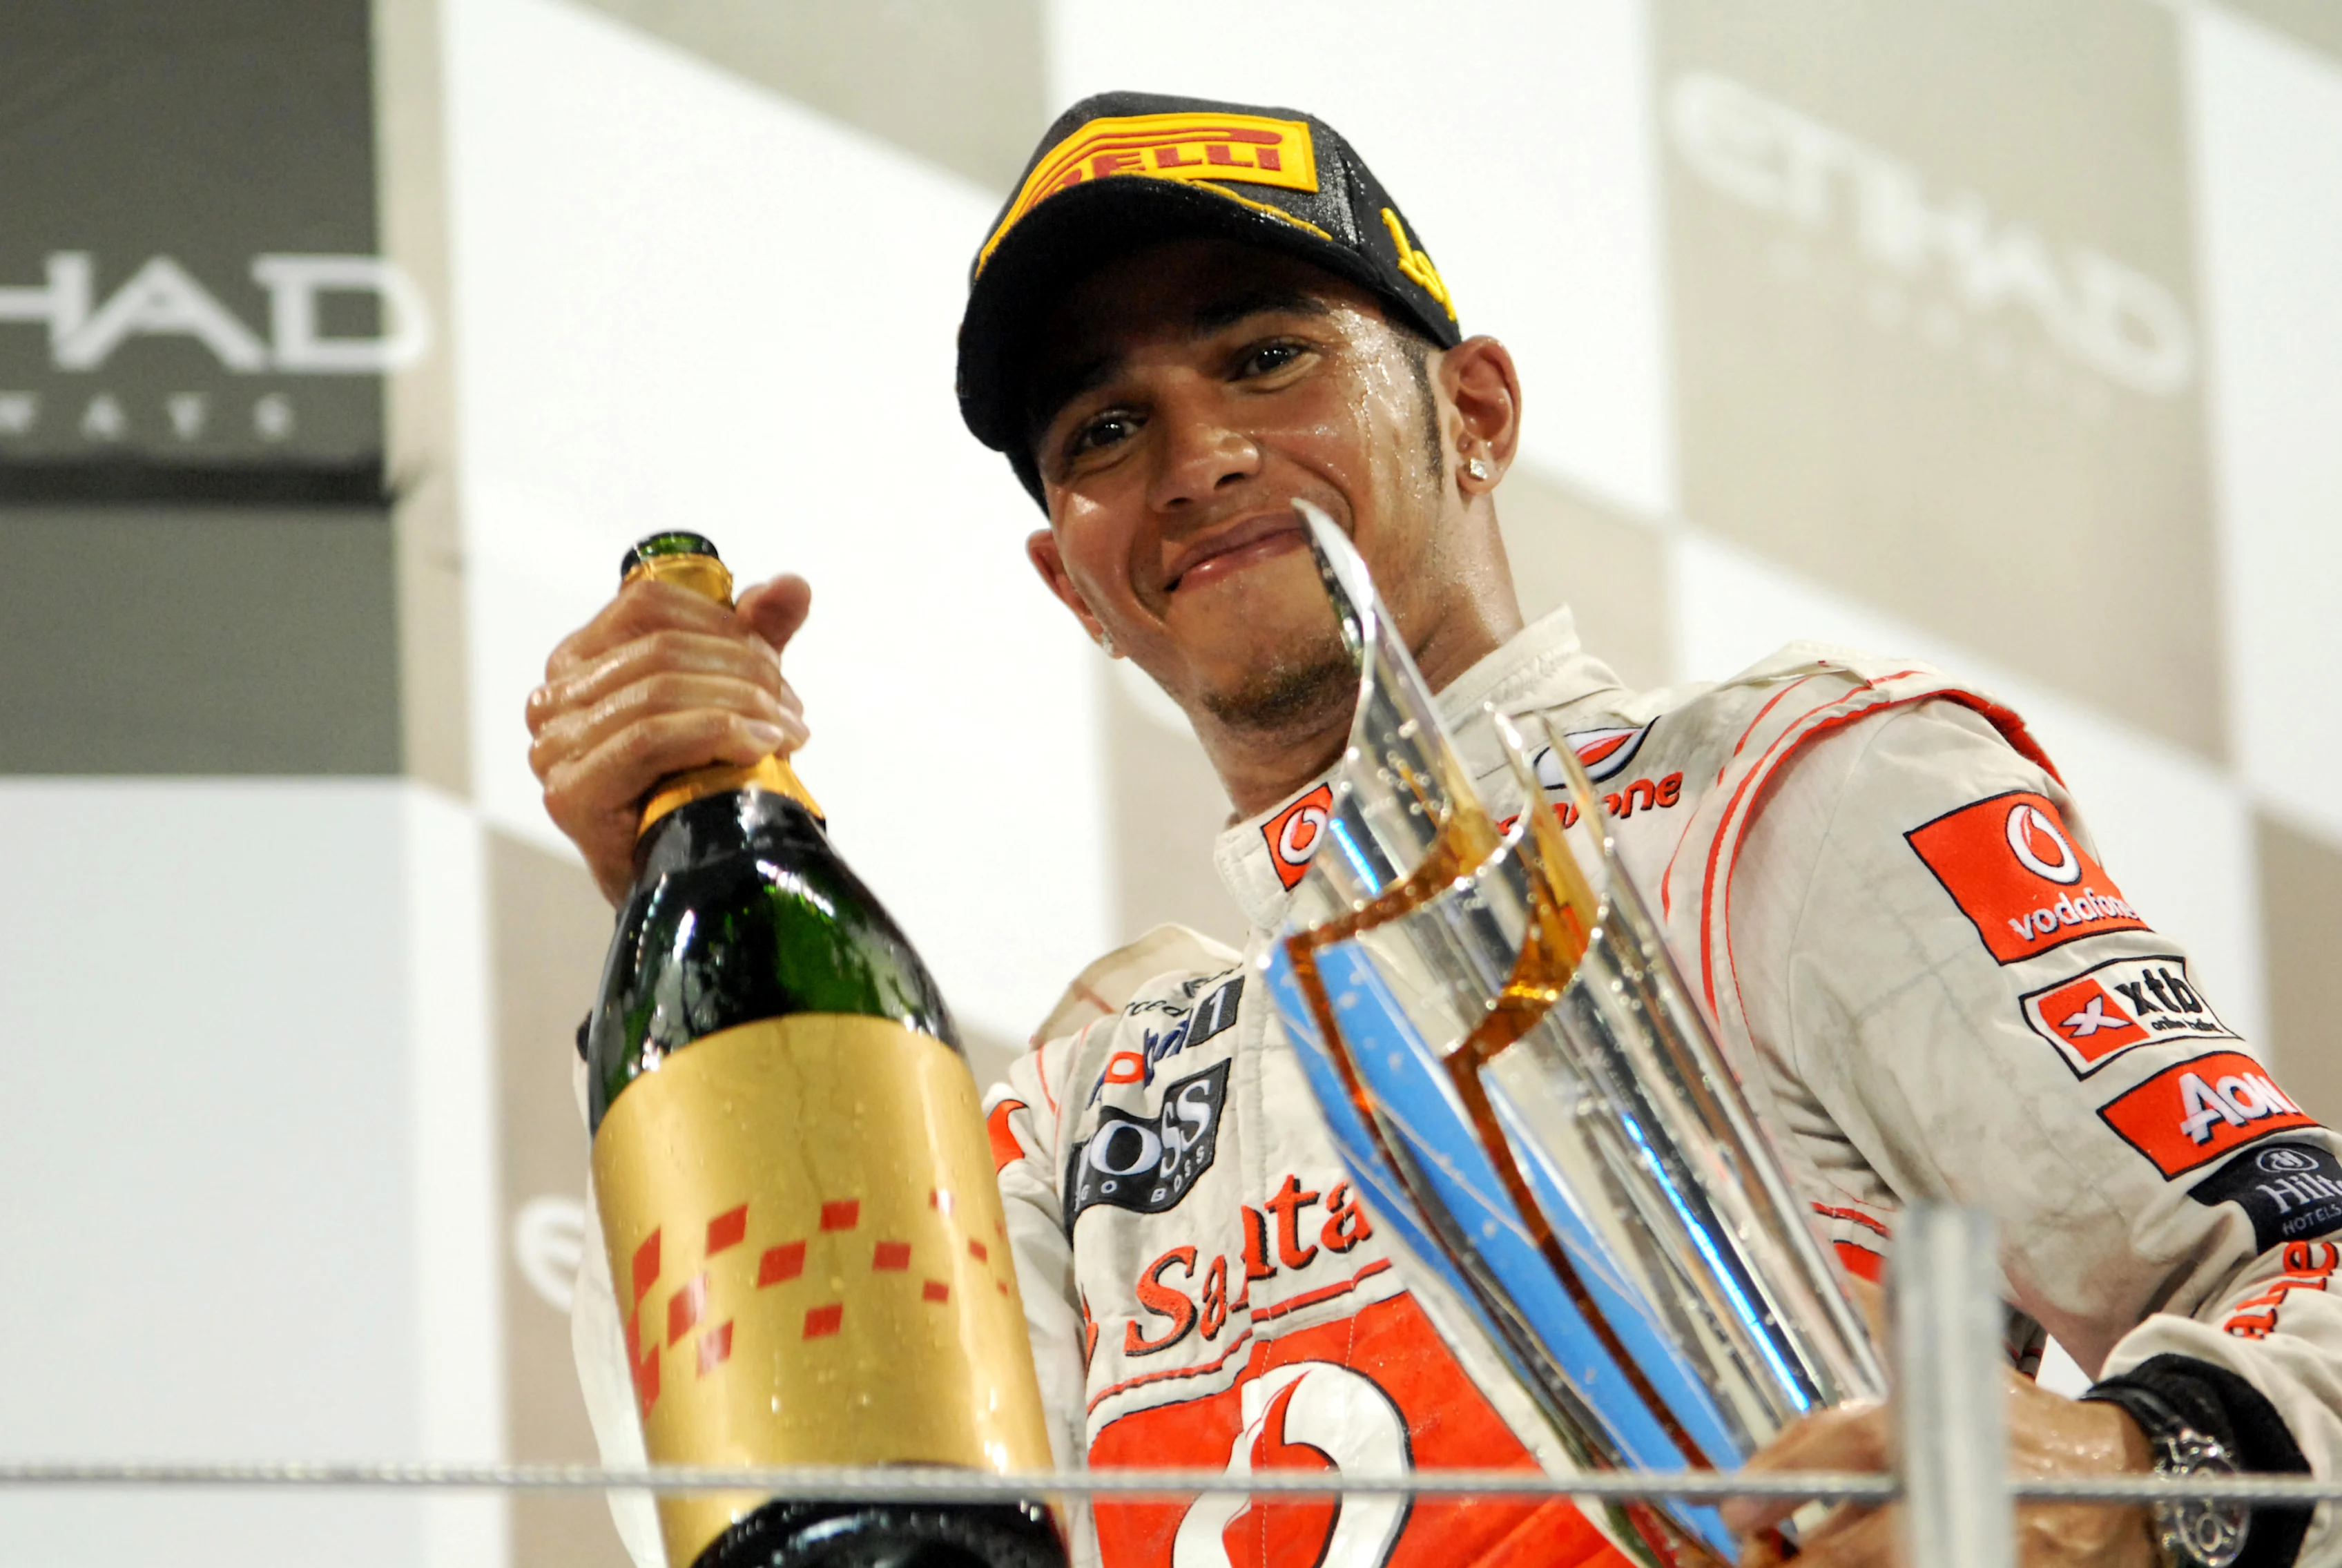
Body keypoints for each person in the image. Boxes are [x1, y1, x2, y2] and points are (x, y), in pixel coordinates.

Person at [527, 93, 2339, 1568]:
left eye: (1263, 356)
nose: (1199, 455)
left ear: (1471, 411)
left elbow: (2305, 1271)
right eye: (1105, 427)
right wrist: (654, 897)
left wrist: (2130, 1474)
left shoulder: (1780, 798)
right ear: (1072, 579)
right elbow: (839, 1498)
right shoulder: (1094, 1104)